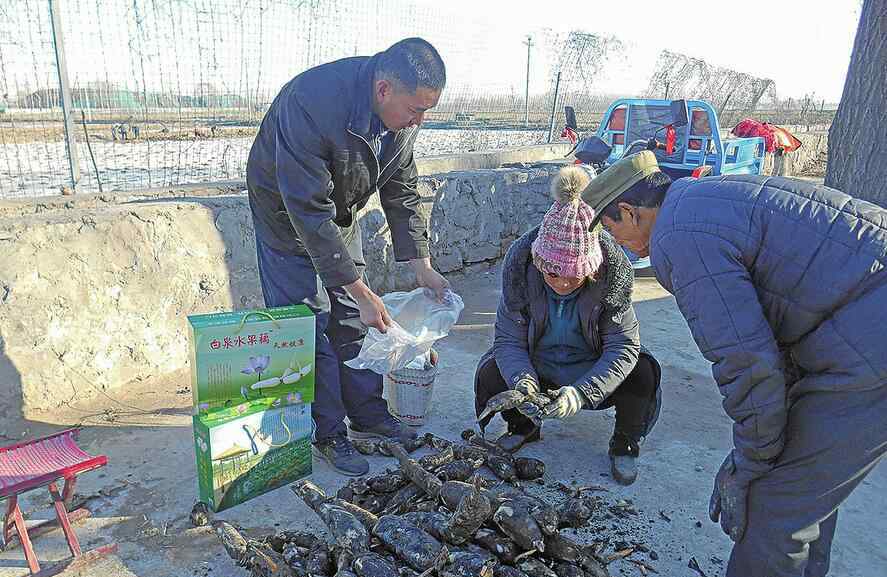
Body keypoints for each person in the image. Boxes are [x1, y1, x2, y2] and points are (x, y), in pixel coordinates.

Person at [581, 151, 887, 576]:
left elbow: (746, 362)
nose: (614, 243)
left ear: (630, 212)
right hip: (857, 322)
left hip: (870, 341)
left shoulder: (678, 238)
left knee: (773, 507)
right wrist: (760, 451)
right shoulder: (701, 198)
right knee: (803, 495)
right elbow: (777, 325)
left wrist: (749, 464)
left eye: (611, 229)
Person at [246, 38, 449, 477]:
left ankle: (369, 415)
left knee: (357, 319)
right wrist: (358, 289)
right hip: (286, 215)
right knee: (306, 322)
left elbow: (402, 188)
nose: (420, 119)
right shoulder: (311, 103)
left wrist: (421, 265)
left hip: (338, 211)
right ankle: (328, 431)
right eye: (415, 109)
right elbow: (308, 214)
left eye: (426, 111)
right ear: (383, 90)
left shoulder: (403, 119)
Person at [473, 166, 662, 485]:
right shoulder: (521, 274)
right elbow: (509, 341)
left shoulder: (611, 280)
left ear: (591, 269)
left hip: (590, 370)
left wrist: (583, 392)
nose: (561, 284)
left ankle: (625, 442)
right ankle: (523, 426)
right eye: (551, 273)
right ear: (537, 262)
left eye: (573, 276)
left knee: (643, 372)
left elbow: (623, 347)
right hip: (539, 370)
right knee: (492, 370)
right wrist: (523, 382)